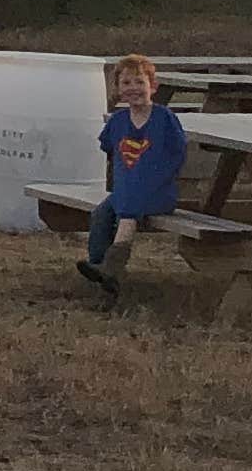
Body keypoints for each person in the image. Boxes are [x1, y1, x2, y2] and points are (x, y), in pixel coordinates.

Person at [77, 54, 187, 305]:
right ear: (118, 89)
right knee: (101, 215)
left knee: (128, 211)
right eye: (126, 83)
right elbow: (108, 147)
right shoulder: (118, 121)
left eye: (139, 82)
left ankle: (110, 270)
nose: (133, 88)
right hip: (126, 192)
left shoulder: (164, 119)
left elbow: (178, 154)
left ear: (153, 87)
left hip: (158, 193)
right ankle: (100, 268)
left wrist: (152, 178)